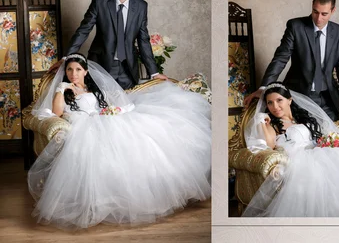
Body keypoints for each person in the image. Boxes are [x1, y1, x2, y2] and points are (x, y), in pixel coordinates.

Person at [28, 53, 211, 230]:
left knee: (142, 138)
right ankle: (98, 202)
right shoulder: (65, 91)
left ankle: (137, 195)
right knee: (103, 149)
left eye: (77, 69)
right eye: (69, 70)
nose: (73, 74)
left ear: (85, 71)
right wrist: (61, 89)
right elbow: (57, 113)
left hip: (106, 119)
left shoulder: (94, 89)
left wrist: (112, 111)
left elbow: (107, 105)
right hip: (85, 125)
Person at [242, 82, 339, 217]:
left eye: (279, 100)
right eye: (270, 103)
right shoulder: (273, 124)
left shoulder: (302, 118)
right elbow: (268, 145)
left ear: (290, 100)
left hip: (318, 151)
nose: (275, 107)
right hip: (299, 160)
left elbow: (317, 137)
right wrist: (261, 121)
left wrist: (328, 142)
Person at [243, 0, 339, 121]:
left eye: (324, 14)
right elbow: (280, 59)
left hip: (328, 99)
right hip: (300, 96)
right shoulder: (295, 26)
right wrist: (264, 87)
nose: (318, 18)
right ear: (312, 5)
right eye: (315, 11)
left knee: (332, 138)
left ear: (333, 11)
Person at [52, 0, 168, 90]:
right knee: (101, 103)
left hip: (128, 66)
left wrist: (154, 72)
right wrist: (66, 57)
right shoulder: (99, 1)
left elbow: (143, 40)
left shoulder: (141, 6)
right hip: (102, 64)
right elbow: (83, 31)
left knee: (128, 104)